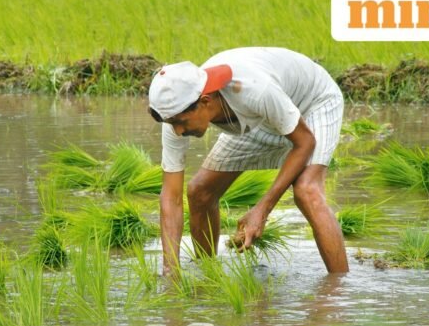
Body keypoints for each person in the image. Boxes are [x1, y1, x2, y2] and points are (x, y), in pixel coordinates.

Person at [147, 47, 349, 277]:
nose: (178, 131)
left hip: (312, 103)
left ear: (205, 101)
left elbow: (305, 142)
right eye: (171, 124)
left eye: (182, 122)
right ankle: (208, 276)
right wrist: (170, 272)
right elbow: (171, 196)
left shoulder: (254, 90)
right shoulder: (175, 112)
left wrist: (261, 210)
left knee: (307, 190)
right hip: (259, 118)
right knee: (200, 192)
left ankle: (340, 289)